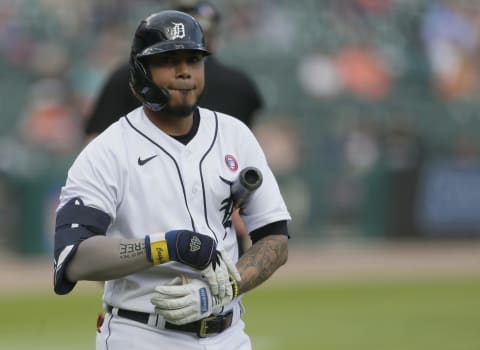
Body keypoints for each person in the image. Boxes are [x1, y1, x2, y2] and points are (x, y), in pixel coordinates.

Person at [53, 10, 290, 350]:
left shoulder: (235, 135)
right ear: (141, 71)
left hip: (230, 335)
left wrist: (222, 292)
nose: (184, 71)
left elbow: (275, 241)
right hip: (141, 334)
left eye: (194, 59)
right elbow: (73, 258)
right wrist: (166, 245)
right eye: (168, 60)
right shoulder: (108, 151)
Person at [84, 0, 263, 254]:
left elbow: (94, 144)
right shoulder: (240, 84)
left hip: (144, 219)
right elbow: (242, 161)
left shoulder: (125, 75)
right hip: (218, 214)